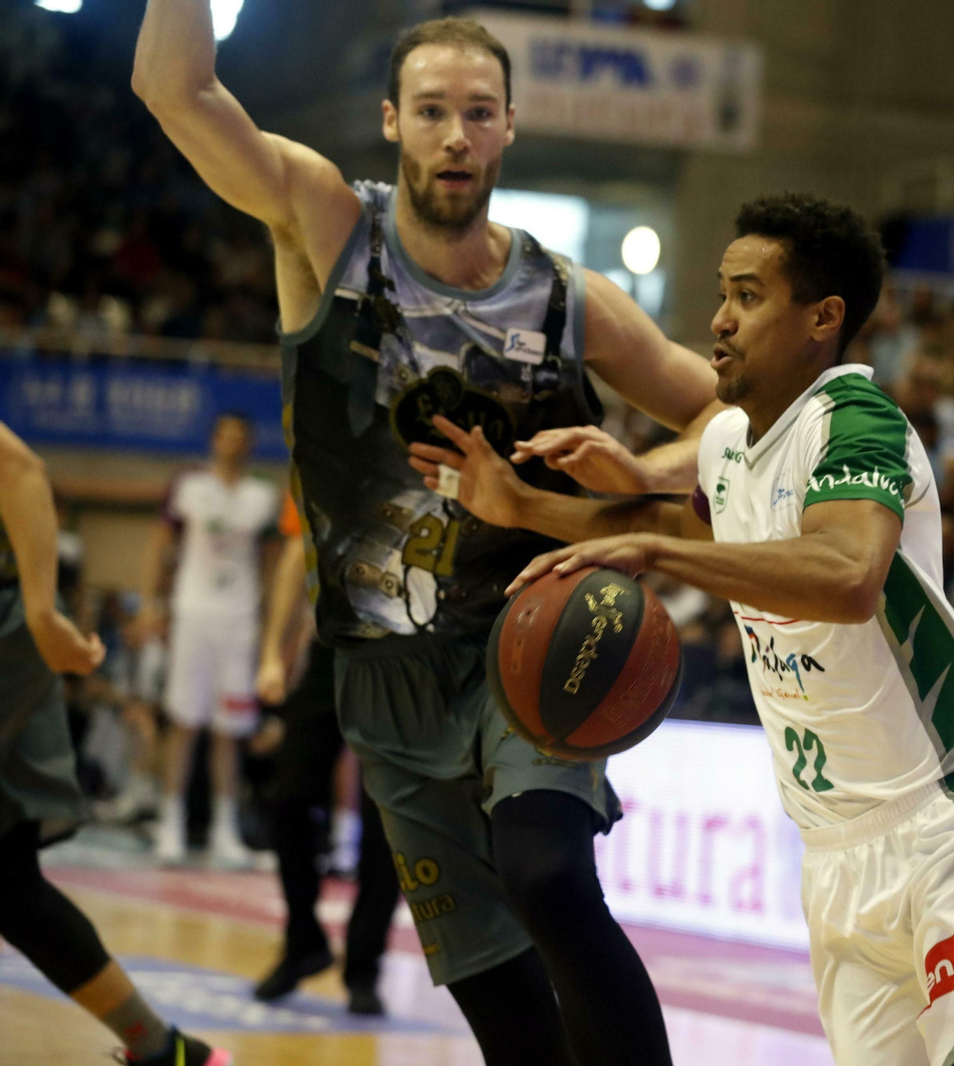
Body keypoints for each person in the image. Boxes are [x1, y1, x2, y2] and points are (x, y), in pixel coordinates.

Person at [411, 193, 954, 1066]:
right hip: (832, 857)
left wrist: (656, 552)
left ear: (823, 319)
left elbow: (849, 576)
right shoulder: (729, 447)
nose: (720, 319)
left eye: (748, 295)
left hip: (944, 829)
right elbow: (682, 531)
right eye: (722, 293)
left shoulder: (857, 423)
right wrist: (525, 507)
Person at [134, 9, 724, 1063]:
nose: (457, 134)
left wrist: (647, 471)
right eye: (435, 112)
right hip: (383, 671)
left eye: (479, 114)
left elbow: (727, 421)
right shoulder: (324, 222)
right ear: (393, 121)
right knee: (503, 1010)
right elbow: (177, 92)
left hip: (531, 639)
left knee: (548, 875)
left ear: (509, 131)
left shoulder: (564, 296)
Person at [0, 421, 229, 1066]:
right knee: (10, 882)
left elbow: (17, 468)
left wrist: (45, 615)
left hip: (12, 626)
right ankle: (161, 1049)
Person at [251, 497, 400, 1014]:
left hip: (405, 661)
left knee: (386, 821)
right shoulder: (322, 445)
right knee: (289, 798)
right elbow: (298, 553)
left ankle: (365, 968)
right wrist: (273, 651)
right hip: (329, 653)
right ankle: (303, 943)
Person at [138, 412, 280, 866]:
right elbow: (160, 546)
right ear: (213, 441)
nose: (231, 444)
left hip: (239, 621)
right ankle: (170, 824)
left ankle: (225, 831)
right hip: (192, 613)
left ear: (250, 445)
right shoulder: (189, 485)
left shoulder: (263, 496)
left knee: (229, 729)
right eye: (225, 436)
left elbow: (274, 563)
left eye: (240, 437)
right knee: (183, 721)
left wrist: (273, 628)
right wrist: (150, 606)